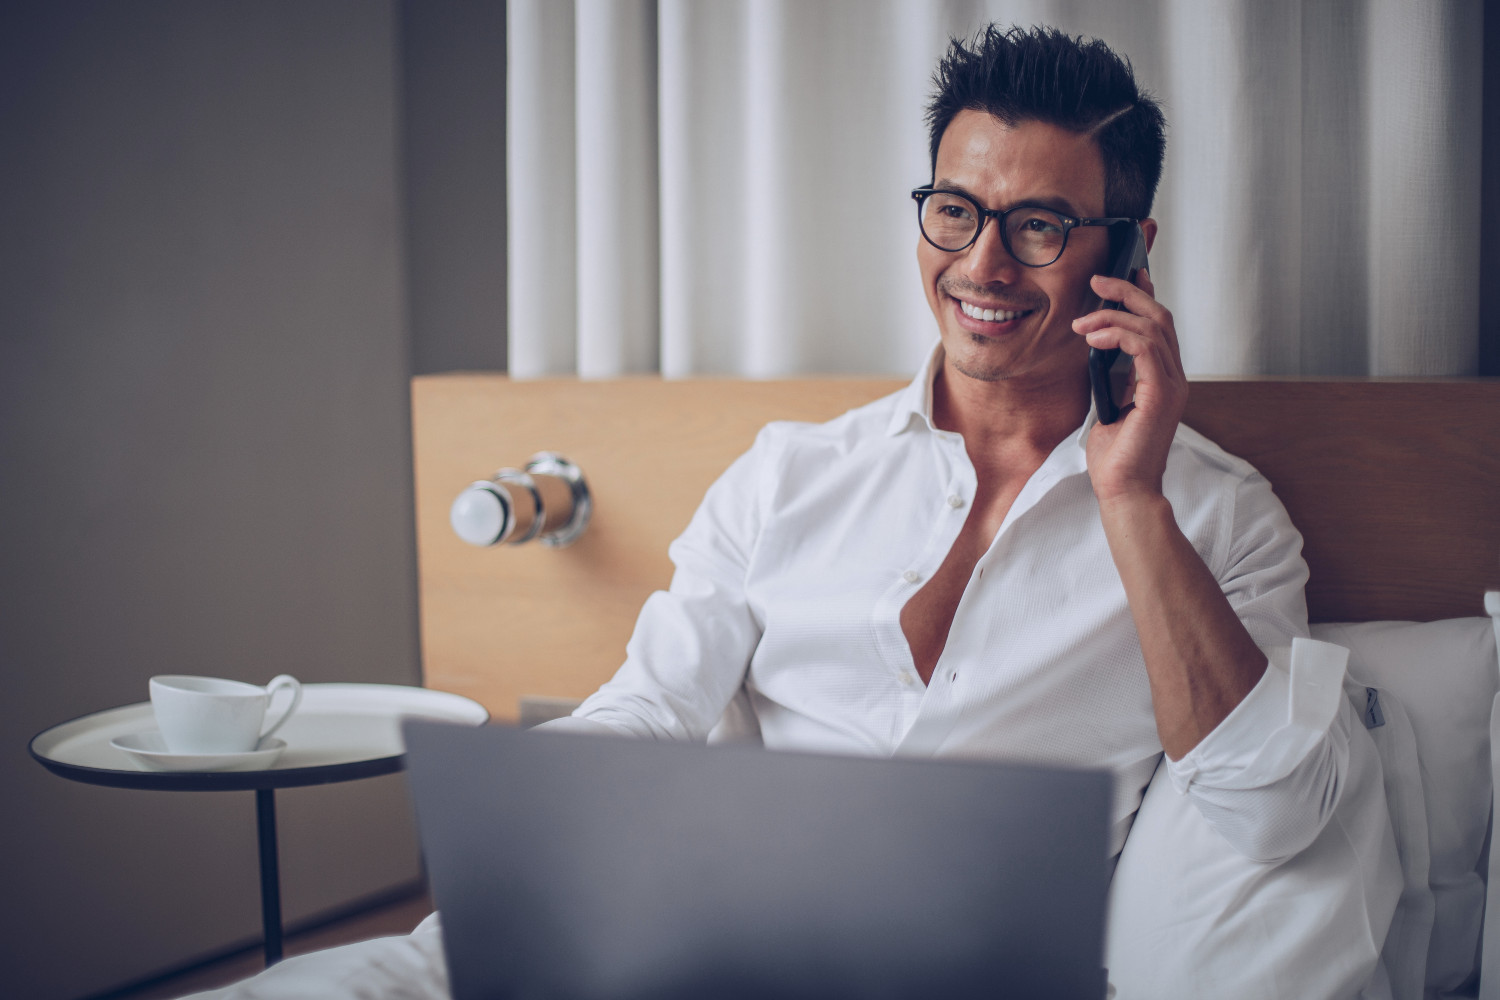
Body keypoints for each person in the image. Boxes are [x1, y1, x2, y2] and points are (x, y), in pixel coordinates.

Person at [185, 24, 1381, 999]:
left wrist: (1128, 494)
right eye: (955, 210)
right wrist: (523, 815)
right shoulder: (785, 476)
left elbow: (1273, 813)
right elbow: (654, 706)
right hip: (692, 946)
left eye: (1040, 226)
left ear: (1128, 248)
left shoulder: (1218, 520)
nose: (983, 266)